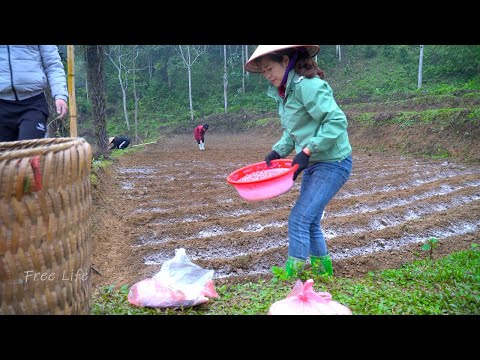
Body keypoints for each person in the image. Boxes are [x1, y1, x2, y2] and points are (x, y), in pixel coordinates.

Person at [244, 45, 353, 278]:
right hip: (315, 163)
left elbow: (336, 121)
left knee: (299, 219)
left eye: (270, 68)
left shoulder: (308, 86)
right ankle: (323, 273)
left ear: (285, 61)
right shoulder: (286, 93)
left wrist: (307, 150)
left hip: (333, 162)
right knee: (310, 220)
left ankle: (290, 277)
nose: (267, 75)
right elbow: (293, 131)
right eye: (263, 72)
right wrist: (278, 151)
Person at [0, 45, 68, 141]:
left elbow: (53, 64)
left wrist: (60, 95)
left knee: (30, 152)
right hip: (2, 105)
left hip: (33, 103)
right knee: (4, 155)